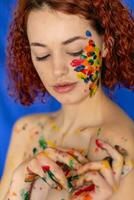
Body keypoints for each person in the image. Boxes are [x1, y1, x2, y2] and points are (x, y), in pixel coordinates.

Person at [0, 0, 134, 199]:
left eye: (75, 51)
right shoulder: (26, 131)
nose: (57, 70)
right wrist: (19, 186)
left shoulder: (123, 150)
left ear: (106, 44)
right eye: (42, 55)